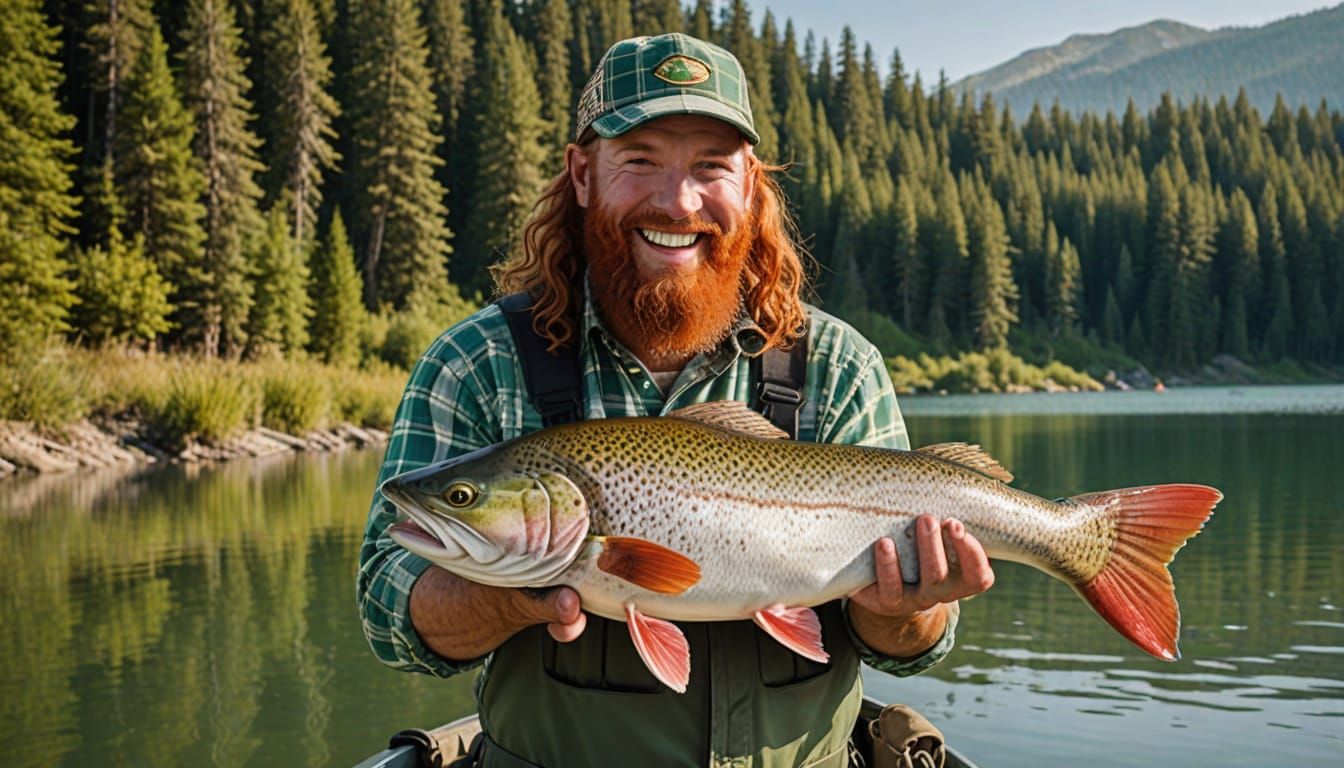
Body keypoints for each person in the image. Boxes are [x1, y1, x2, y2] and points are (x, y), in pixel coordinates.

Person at [358, 32, 995, 768]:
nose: (677, 200)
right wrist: (509, 595)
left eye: (710, 167)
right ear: (583, 173)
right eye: (640, 161)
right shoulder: (477, 363)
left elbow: (919, 646)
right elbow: (387, 609)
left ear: (749, 184)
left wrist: (906, 612)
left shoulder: (839, 366)